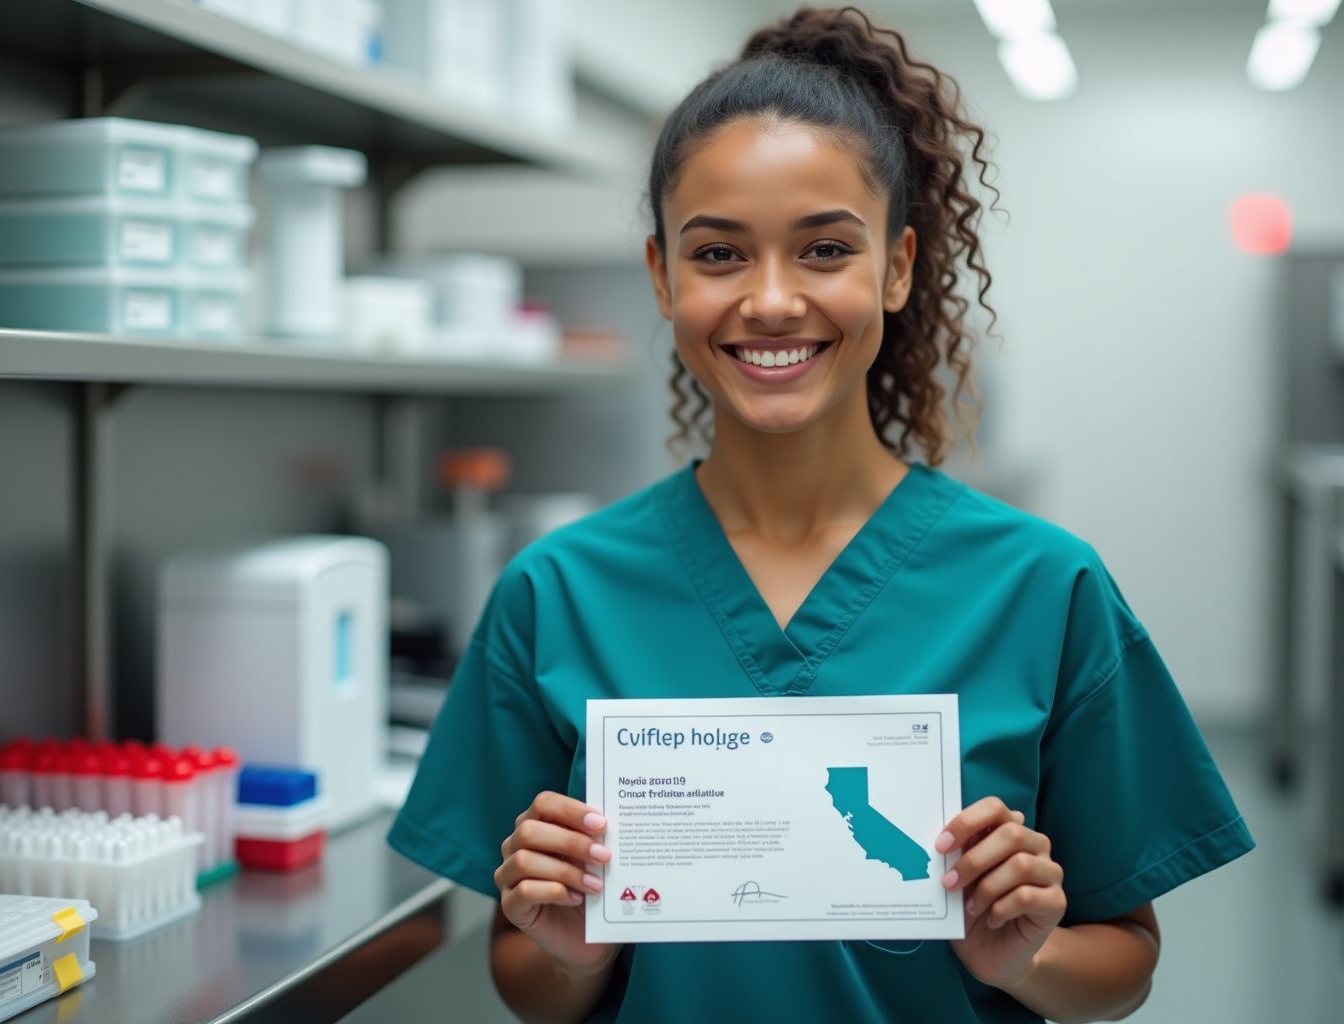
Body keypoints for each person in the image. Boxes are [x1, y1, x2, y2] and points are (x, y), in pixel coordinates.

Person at [387, 7, 1255, 1021]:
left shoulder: (1041, 587)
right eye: (717, 255)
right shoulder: (558, 591)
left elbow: (1125, 961)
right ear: (662, 276)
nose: (770, 301)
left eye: (824, 250)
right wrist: (571, 952)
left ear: (894, 267)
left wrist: (1020, 956)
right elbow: (527, 980)